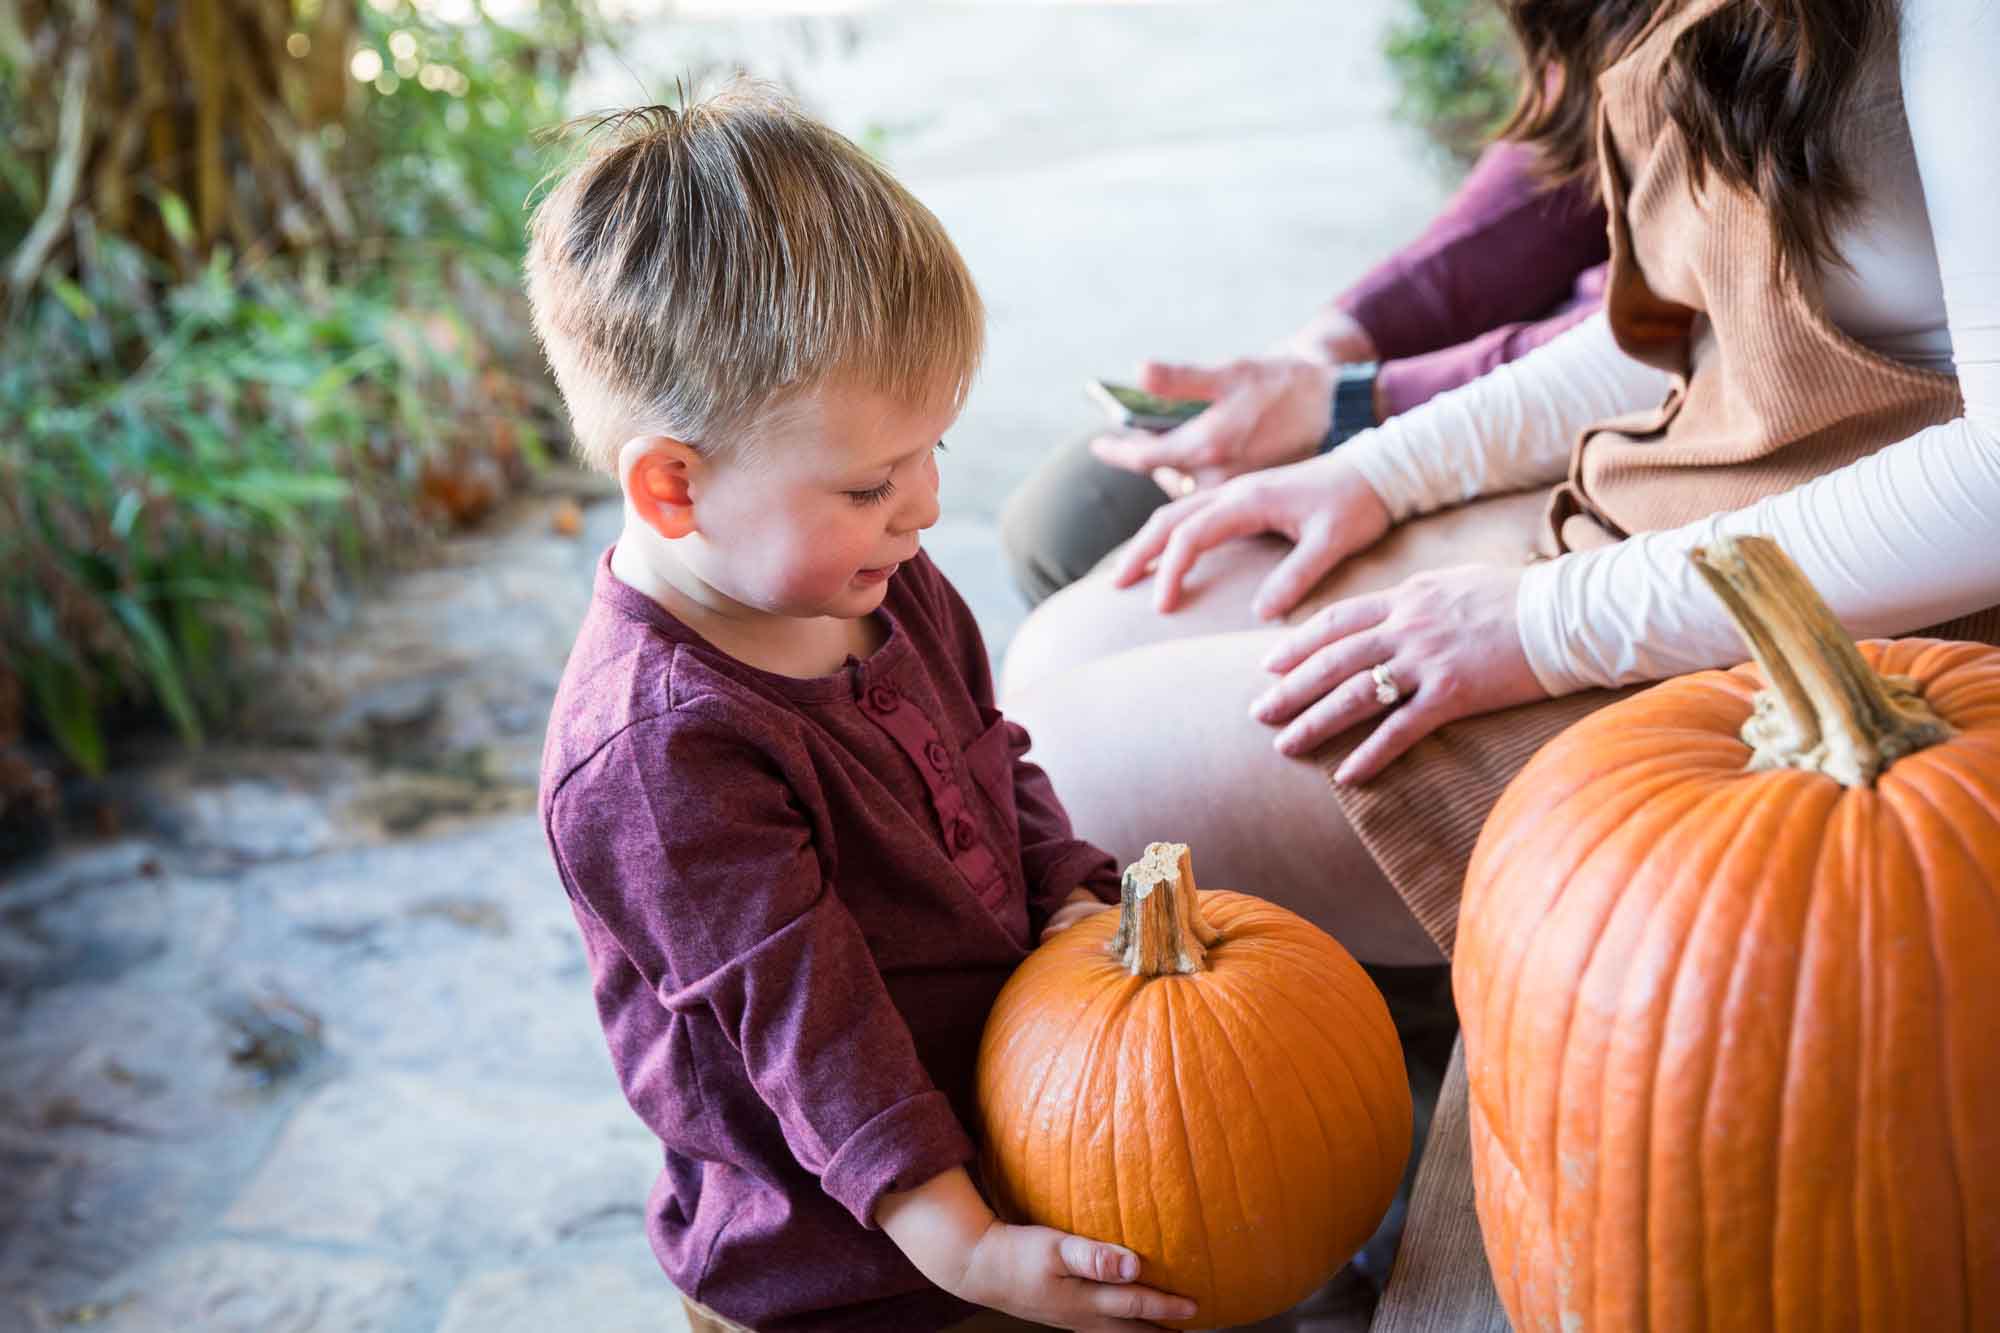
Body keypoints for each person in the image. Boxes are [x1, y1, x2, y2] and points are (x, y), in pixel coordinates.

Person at [1000, 0, 2000, 967]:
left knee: (1061, 771)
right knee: (1073, 641)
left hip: (1864, 633)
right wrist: (1377, 472)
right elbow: (1692, 322)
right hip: (1683, 504)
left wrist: (1540, 625)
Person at [527, 84, 1199, 1333]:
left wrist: (1062, 891)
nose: (926, 505)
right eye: (872, 479)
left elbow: (991, 761)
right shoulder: (659, 753)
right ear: (674, 487)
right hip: (843, 1274)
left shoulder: (877, 578)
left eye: (934, 451)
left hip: (1004, 1151)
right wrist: (968, 1250)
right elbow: (811, 1031)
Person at [1000, 138, 1610, 608]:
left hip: (1626, 434)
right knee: (1069, 511)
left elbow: (1660, 345)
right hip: (1521, 358)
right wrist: (1324, 352)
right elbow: (1562, 150)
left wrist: (1356, 410)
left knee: (1094, 630)